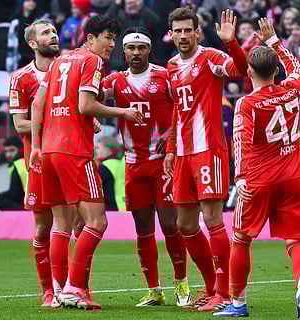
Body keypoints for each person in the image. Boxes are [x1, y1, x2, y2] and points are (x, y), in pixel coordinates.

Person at [30, 14, 143, 310]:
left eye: (114, 38)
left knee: (61, 224)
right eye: (107, 37)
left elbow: (38, 103)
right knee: (97, 221)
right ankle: (74, 287)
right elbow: (85, 104)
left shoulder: (59, 61)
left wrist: (36, 146)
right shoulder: (92, 61)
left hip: (49, 151)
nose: (112, 44)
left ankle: (56, 292)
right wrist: (124, 113)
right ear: (90, 38)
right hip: (74, 152)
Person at [213, 18, 300, 318]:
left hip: (258, 180)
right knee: (296, 242)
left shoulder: (247, 103)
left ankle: (238, 304)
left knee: (241, 239)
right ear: (275, 70)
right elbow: (298, 68)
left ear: (249, 71)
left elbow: (240, 141)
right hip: (294, 176)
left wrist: (240, 177)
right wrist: (275, 42)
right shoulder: (292, 90)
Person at [163, 8, 247, 312]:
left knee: (212, 219)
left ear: (197, 32)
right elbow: (177, 110)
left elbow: (240, 70)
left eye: (188, 30)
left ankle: (225, 293)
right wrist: (171, 148)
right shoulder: (171, 65)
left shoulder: (210, 58)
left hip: (208, 150)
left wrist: (231, 43)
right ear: (171, 34)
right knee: (185, 224)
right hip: (183, 154)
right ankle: (212, 286)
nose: (183, 36)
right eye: (178, 31)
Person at [102, 26, 190, 307]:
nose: (136, 53)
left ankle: (181, 284)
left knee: (170, 224)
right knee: (143, 229)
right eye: (130, 48)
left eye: (141, 48)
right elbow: (87, 98)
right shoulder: (114, 81)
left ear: (150, 50)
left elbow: (184, 109)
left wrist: (172, 137)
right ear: (123, 51)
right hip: (133, 164)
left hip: (162, 163)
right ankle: (154, 290)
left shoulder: (165, 77)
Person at [8, 18, 61, 307]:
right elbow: (19, 125)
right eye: (46, 33)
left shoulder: (68, 69)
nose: (53, 36)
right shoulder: (21, 78)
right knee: (43, 228)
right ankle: (48, 290)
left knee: (79, 226)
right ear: (32, 43)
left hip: (69, 156)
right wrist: (58, 122)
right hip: (38, 159)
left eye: (54, 32)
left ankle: (72, 287)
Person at [0, 136, 27, 210]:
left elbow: (15, 195)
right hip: (32, 201)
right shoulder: (25, 162)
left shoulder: (18, 165)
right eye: (6, 151)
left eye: (12, 150)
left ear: (20, 150)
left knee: (3, 203)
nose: (8, 155)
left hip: (25, 204)